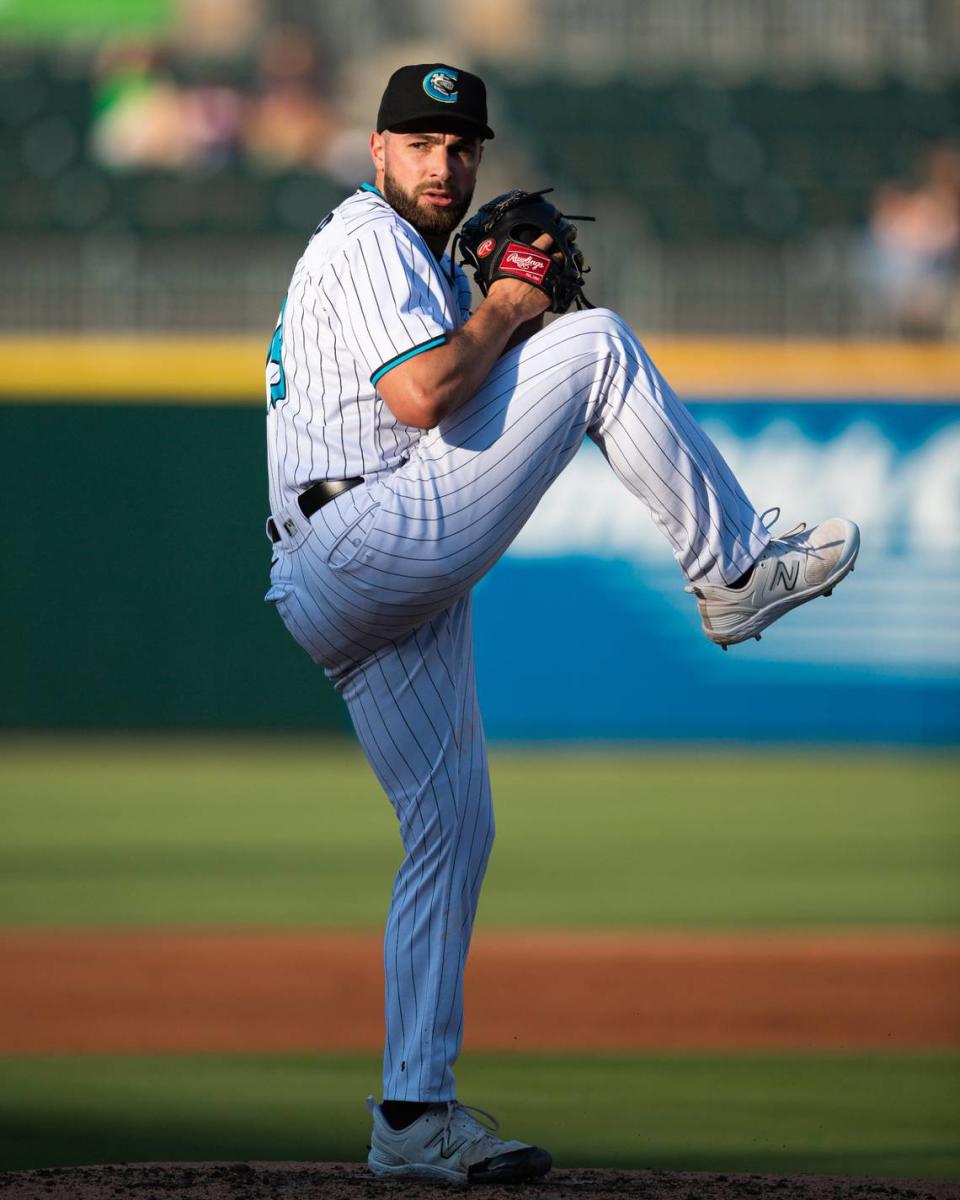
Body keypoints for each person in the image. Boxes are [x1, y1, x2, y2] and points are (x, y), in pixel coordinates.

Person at [263, 63, 859, 1184]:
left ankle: (411, 1119)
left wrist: (493, 314)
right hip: (364, 531)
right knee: (596, 349)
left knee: (451, 831)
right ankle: (731, 569)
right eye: (420, 143)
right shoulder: (367, 241)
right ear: (376, 150)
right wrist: (510, 309)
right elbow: (425, 399)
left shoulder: (418, 260)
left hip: (348, 569)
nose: (444, 165)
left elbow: (447, 389)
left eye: (462, 146)